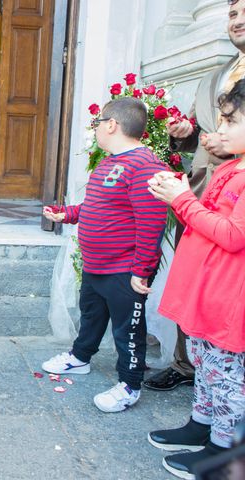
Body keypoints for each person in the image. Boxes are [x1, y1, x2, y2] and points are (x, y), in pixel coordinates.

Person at [41, 97, 168, 413]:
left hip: (125, 268)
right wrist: (67, 214)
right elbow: (95, 207)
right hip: (96, 264)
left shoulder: (144, 166)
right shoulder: (107, 162)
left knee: (128, 329)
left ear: (112, 125)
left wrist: (142, 270)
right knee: (92, 314)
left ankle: (129, 384)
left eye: (97, 123)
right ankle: (80, 357)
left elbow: (151, 221)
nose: (95, 129)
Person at [143, 0, 245, 393]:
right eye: (232, 14)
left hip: (234, 201)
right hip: (204, 187)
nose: (237, 21)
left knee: (225, 291)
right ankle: (190, 367)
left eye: (243, 13)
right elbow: (201, 128)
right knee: (195, 280)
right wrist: (184, 132)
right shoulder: (216, 75)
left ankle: (223, 386)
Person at [146, 79, 245, 480]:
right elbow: (206, 219)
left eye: (231, 121)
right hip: (206, 286)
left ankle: (224, 449)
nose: (218, 130)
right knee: (204, 363)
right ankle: (200, 424)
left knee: (224, 374)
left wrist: (182, 201)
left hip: (227, 290)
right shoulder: (233, 166)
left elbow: (234, 235)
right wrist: (180, 195)